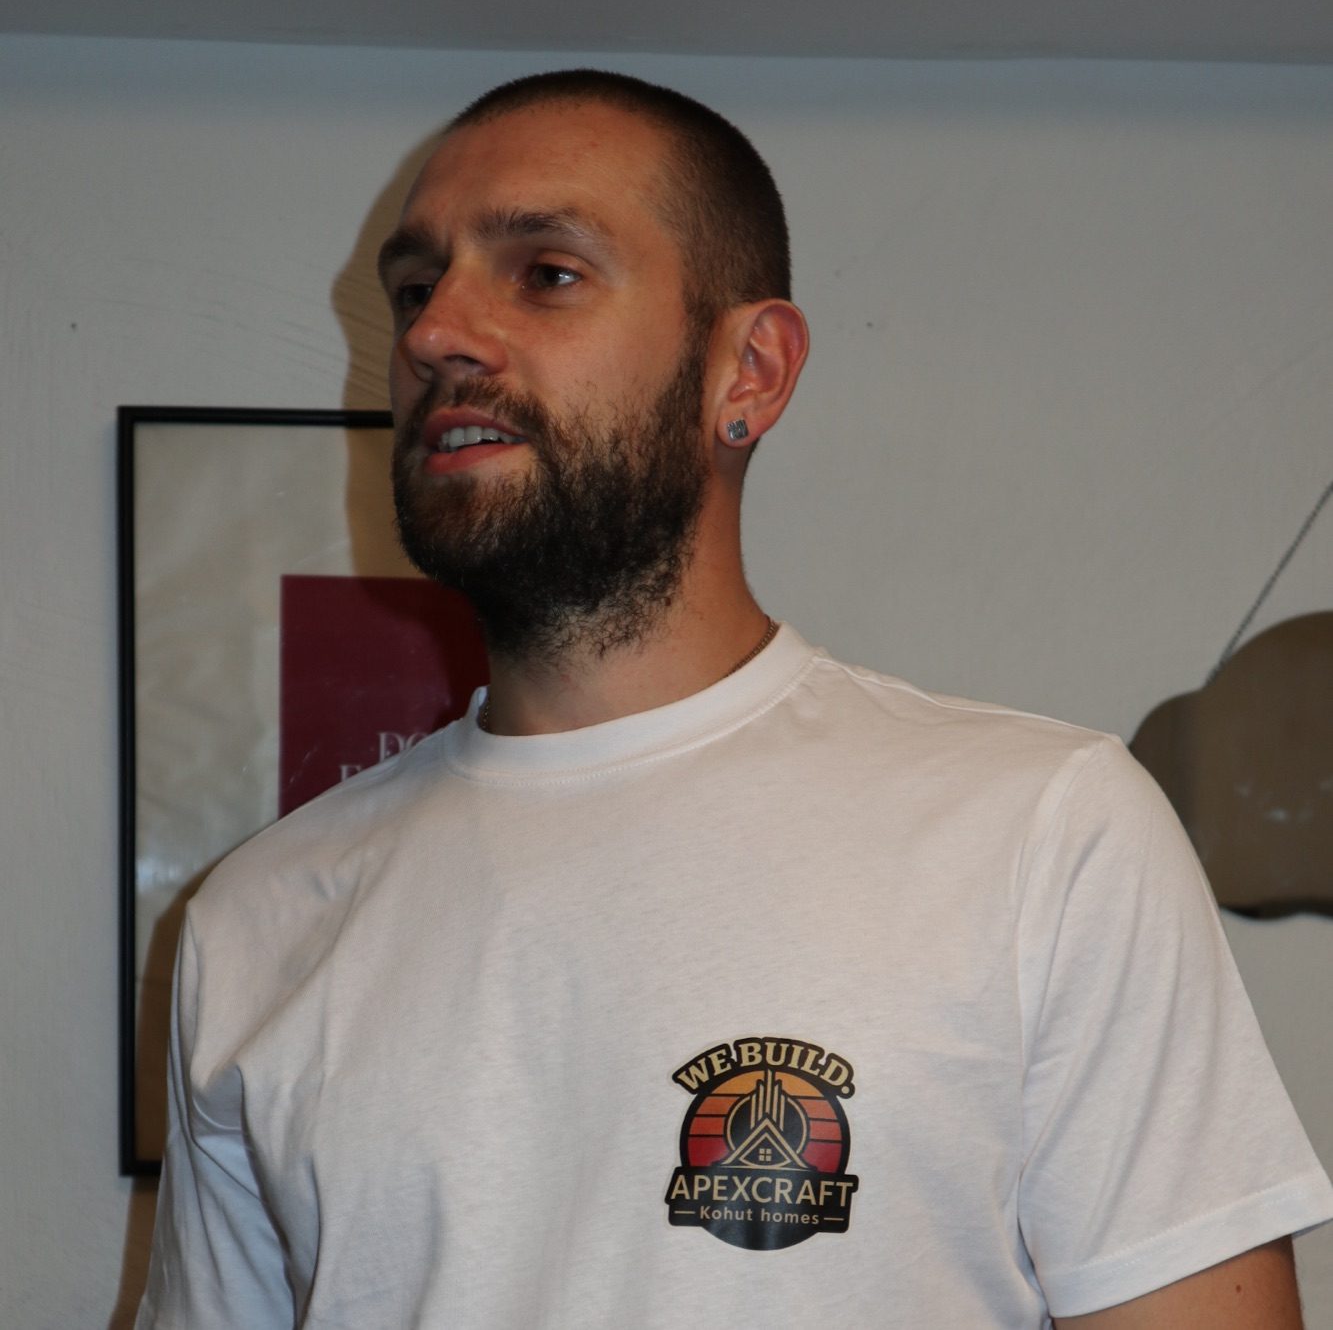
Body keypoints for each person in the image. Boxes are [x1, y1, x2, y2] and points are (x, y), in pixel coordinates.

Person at [137, 70, 1333, 1327]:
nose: (435, 333)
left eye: (546, 272)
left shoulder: (1045, 836)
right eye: (414, 287)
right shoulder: (258, 922)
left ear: (748, 371)